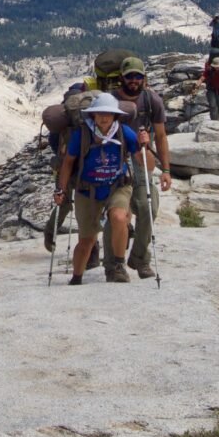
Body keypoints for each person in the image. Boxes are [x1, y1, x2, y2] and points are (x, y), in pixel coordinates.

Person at [54, 93, 140, 284]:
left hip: (117, 186)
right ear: (93, 115)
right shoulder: (81, 135)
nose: (104, 117)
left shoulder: (125, 133)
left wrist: (143, 146)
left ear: (115, 115)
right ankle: (77, 277)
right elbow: (68, 163)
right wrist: (61, 189)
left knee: (119, 217)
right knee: (87, 240)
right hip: (87, 190)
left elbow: (145, 163)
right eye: (100, 113)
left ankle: (118, 266)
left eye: (108, 113)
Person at [113, 57, 170, 280]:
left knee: (149, 206)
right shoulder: (111, 100)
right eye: (130, 76)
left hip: (141, 158)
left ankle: (139, 258)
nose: (134, 80)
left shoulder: (151, 100)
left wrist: (166, 170)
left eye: (138, 76)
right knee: (118, 213)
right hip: (116, 160)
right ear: (122, 78)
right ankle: (114, 265)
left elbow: (161, 136)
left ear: (144, 78)